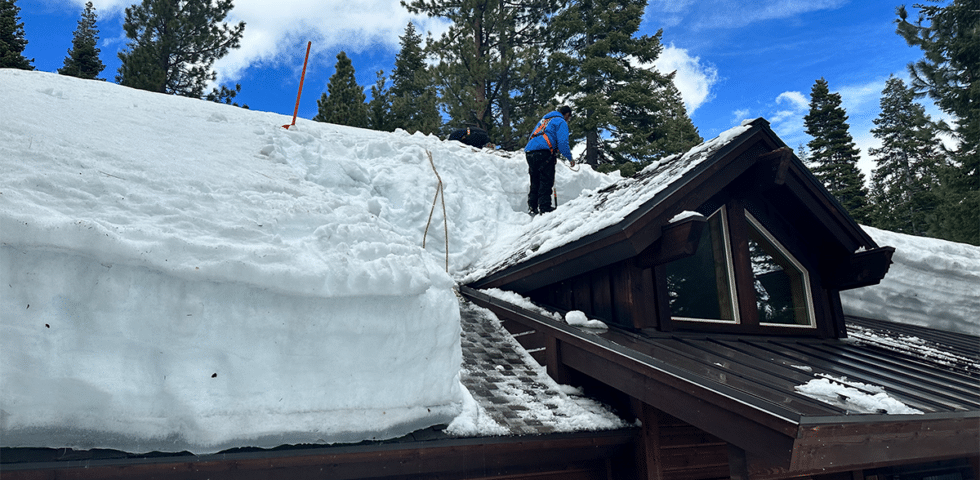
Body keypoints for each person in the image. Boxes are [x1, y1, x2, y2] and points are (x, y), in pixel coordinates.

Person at [524, 106, 573, 215]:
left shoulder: (544, 121)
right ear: (567, 114)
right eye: (569, 117)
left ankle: (532, 206)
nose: (568, 120)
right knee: (546, 180)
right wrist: (569, 158)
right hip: (544, 152)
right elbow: (563, 142)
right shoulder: (560, 121)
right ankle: (545, 207)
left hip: (530, 151)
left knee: (535, 179)